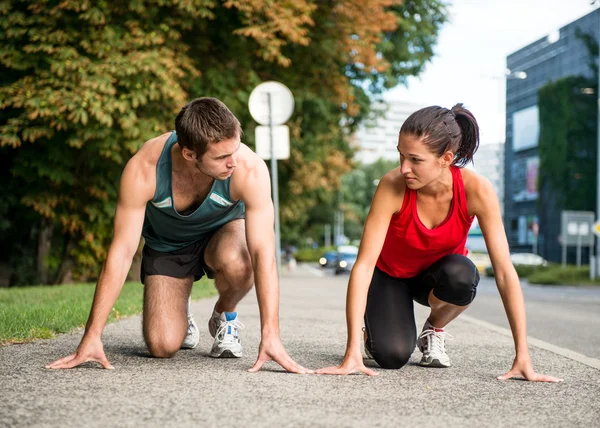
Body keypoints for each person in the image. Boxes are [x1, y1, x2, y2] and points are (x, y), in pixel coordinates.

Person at [46, 97, 309, 374]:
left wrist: (271, 335)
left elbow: (263, 254)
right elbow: (122, 252)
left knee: (240, 260)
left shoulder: (249, 168)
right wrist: (92, 335)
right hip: (169, 245)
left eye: (235, 149)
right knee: (161, 345)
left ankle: (224, 313)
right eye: (221, 157)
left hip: (225, 234)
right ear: (189, 154)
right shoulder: (145, 168)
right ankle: (180, 312)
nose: (233, 162)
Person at [316, 104, 562, 382]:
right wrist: (352, 353)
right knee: (392, 356)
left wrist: (523, 355)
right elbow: (363, 266)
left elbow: (504, 273)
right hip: (389, 276)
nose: (404, 168)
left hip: (435, 278)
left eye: (415, 160)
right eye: (401, 156)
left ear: (446, 158)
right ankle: (372, 333)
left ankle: (434, 329)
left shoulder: (476, 190)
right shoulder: (392, 185)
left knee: (463, 275)